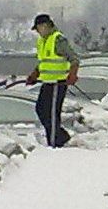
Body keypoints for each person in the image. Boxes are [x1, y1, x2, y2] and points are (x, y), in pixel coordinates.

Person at [25, 14, 80, 148]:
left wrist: (72, 74)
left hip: (58, 82)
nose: (37, 32)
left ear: (45, 26)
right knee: (41, 109)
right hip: (47, 82)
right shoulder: (42, 41)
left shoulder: (58, 40)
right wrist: (35, 74)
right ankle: (60, 135)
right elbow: (44, 62)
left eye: (38, 28)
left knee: (52, 113)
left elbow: (74, 59)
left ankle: (55, 142)